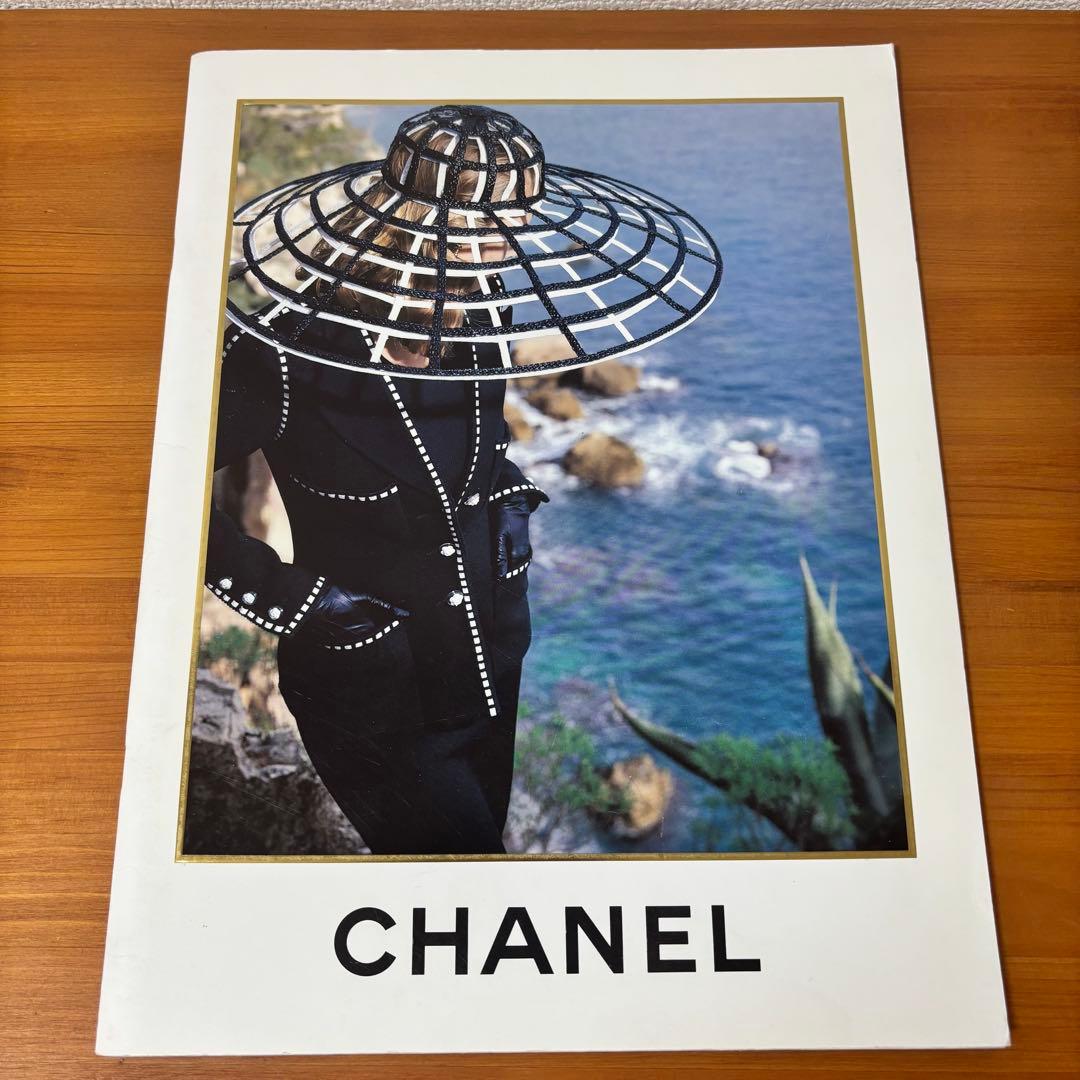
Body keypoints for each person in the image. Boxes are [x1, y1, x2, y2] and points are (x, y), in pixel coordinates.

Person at [206, 104, 722, 856]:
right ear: (411, 219)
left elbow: (478, 452)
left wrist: (511, 509)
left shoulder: (481, 325)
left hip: (490, 657)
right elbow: (155, 489)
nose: (503, 244)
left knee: (483, 854)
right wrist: (298, 601)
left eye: (510, 223)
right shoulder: (284, 357)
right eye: (486, 222)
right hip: (370, 681)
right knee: (459, 866)